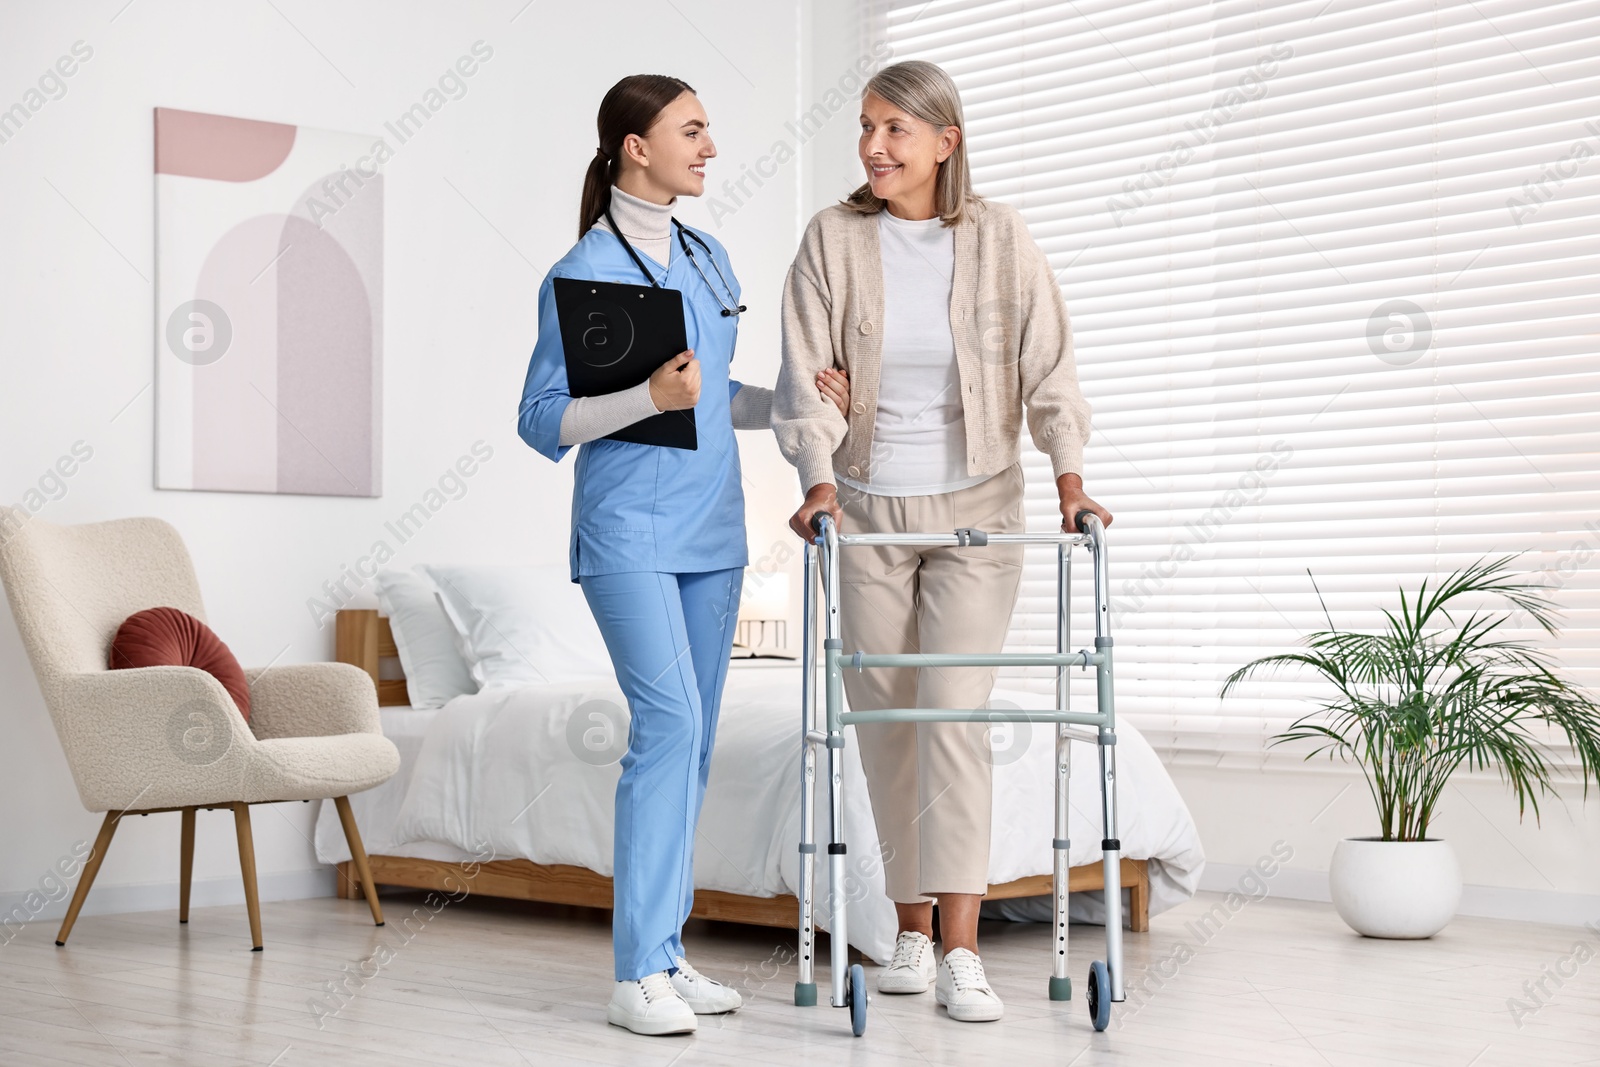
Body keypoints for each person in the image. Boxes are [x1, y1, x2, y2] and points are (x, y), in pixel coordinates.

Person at [772, 60, 1112, 1024]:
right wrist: (819, 481)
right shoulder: (832, 239)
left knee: (951, 714)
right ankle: (910, 931)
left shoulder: (1001, 238)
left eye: (896, 131)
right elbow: (804, 375)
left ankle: (963, 946)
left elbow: (1049, 366)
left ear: (945, 141)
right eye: (867, 129)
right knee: (885, 723)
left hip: (978, 511)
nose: (875, 148)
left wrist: (1071, 479)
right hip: (869, 509)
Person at [516, 74, 848, 1037]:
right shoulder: (581, 271)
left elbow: (714, 397)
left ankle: (665, 953)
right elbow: (542, 421)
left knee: (695, 737)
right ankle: (634, 975)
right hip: (627, 533)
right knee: (666, 726)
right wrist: (643, 401)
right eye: (691, 131)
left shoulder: (708, 256)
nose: (708, 149)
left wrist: (798, 401)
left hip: (713, 530)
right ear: (635, 147)